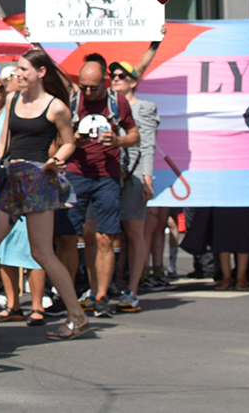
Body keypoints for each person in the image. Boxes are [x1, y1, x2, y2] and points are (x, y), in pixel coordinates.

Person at [0, 49, 92, 339]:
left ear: (41, 73)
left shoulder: (55, 107)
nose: (18, 74)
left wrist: (56, 160)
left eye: (24, 69)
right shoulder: (13, 99)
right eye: (17, 69)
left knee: (42, 252)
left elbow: (69, 142)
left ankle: (77, 316)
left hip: (39, 180)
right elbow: (3, 143)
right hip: (12, 180)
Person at [66, 58, 137, 318]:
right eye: (83, 86)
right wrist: (73, 141)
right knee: (69, 236)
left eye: (93, 88)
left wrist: (117, 140)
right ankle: (69, 294)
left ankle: (101, 296)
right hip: (76, 173)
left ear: (104, 82)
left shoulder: (117, 102)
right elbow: (58, 138)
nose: (87, 92)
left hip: (107, 175)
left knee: (105, 236)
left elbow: (134, 135)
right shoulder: (72, 101)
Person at [108, 60, 157, 310]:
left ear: (133, 82)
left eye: (122, 75)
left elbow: (148, 145)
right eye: (113, 75)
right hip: (108, 176)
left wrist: (147, 179)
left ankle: (132, 289)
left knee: (133, 232)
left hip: (134, 176)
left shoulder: (143, 108)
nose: (116, 79)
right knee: (102, 232)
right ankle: (102, 288)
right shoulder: (107, 106)